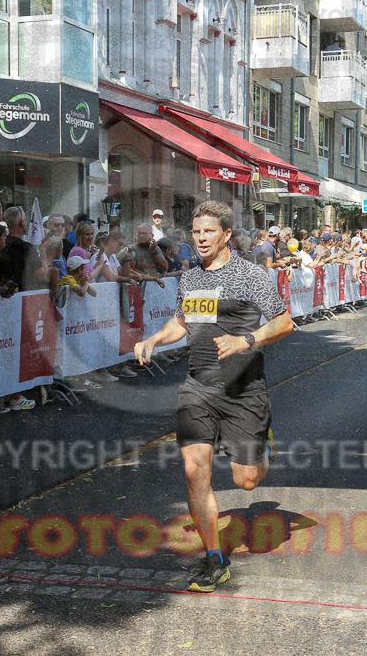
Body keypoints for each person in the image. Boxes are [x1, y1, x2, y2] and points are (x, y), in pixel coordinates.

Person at [134, 201, 293, 592]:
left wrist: (247, 339)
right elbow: (183, 322)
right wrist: (155, 338)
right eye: (196, 231)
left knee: (247, 481)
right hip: (198, 387)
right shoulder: (189, 279)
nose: (201, 237)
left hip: (244, 390)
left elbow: (285, 321)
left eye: (208, 231)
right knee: (194, 469)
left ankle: (261, 445)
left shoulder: (250, 275)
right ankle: (213, 558)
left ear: (226, 235)